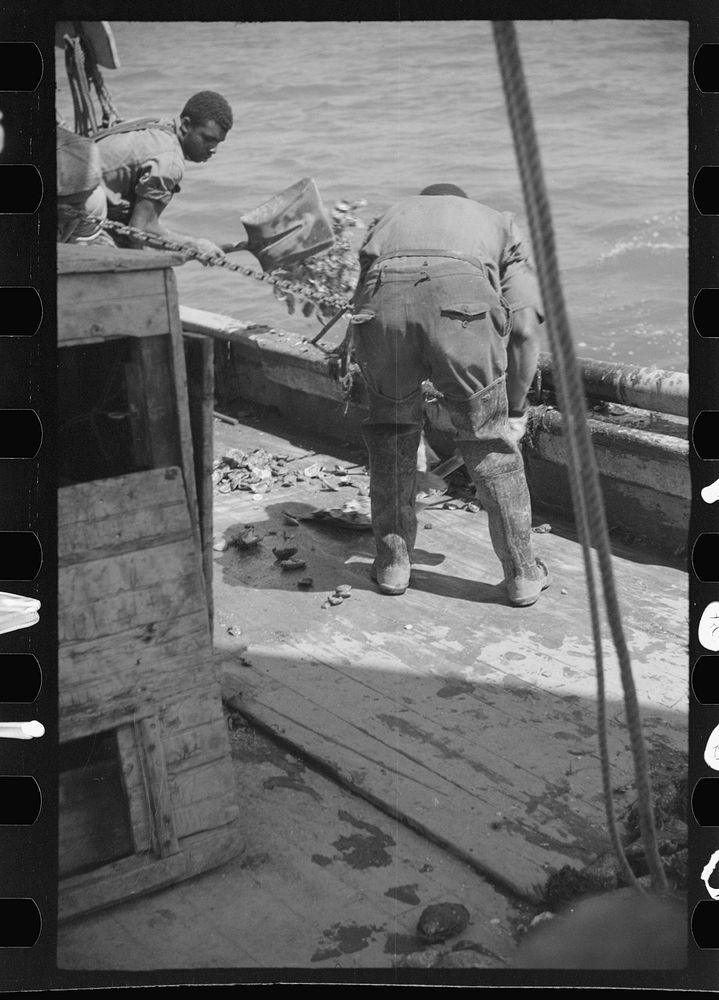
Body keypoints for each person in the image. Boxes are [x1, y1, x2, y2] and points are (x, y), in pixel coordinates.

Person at [350, 182, 550, 606]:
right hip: (463, 310)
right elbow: (527, 331)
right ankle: (522, 575)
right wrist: (514, 411)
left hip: (383, 313)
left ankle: (392, 565)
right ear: (463, 203)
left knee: (391, 437)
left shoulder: (387, 222)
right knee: (489, 445)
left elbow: (362, 310)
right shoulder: (497, 224)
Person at [94, 90, 233, 259]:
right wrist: (195, 245)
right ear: (186, 125)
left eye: (218, 142)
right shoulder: (170, 162)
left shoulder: (156, 125)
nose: (214, 149)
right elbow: (140, 230)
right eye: (208, 139)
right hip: (78, 212)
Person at [56, 124, 114, 245]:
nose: (78, 210)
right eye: (71, 203)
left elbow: (80, 252)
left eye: (79, 202)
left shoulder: (93, 201)